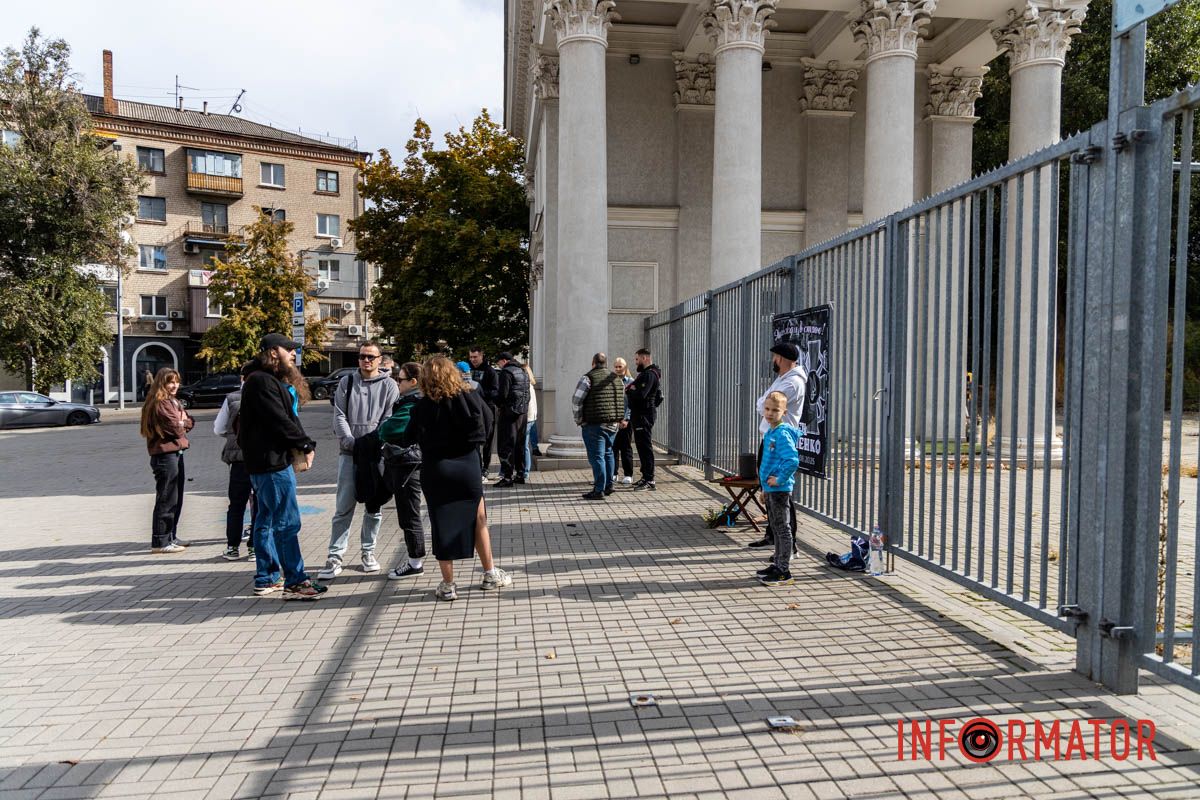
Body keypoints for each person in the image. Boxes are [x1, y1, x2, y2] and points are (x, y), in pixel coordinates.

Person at [407, 356, 513, 601]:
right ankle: (489, 574)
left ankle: (448, 585)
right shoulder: (469, 397)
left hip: (436, 470)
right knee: (479, 519)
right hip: (468, 467)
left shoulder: (421, 406)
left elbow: (409, 436)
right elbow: (487, 426)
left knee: (441, 523)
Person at [238, 333, 325, 599]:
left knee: (266, 519)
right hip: (271, 465)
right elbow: (279, 421)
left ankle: (268, 577)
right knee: (287, 523)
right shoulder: (262, 382)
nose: (293, 354)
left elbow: (286, 418)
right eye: (289, 349)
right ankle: (295, 582)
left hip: (265, 463)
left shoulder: (264, 380)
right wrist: (306, 444)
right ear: (273, 351)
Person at [319, 341, 400, 579]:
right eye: (363, 356)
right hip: (349, 454)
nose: (367, 360)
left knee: (373, 508)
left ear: (379, 359)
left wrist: (371, 443)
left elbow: (389, 419)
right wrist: (350, 442)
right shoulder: (347, 382)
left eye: (371, 357)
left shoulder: (389, 385)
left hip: (376, 455)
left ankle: (368, 552)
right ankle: (335, 557)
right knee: (343, 507)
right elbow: (339, 415)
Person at [750, 342, 807, 549]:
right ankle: (772, 535)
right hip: (771, 436)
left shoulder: (791, 383)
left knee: (780, 490)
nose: (773, 360)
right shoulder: (782, 379)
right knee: (769, 486)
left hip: (779, 441)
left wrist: (764, 404)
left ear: (781, 358)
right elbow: (761, 403)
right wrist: (764, 404)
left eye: (775, 356)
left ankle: (788, 544)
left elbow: (764, 404)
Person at [139, 368, 195, 554]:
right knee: (166, 498)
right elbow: (175, 429)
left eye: (177, 382)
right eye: (171, 382)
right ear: (161, 383)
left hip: (175, 453)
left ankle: (171, 535)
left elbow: (190, 421)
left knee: (175, 497)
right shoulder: (160, 403)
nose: (175, 385)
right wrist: (181, 423)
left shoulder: (173, 402)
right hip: (165, 456)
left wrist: (183, 421)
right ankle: (161, 541)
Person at [380, 362, 427, 579]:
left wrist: (384, 428)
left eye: (400, 379)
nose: (397, 383)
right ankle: (415, 559)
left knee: (409, 513)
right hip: (409, 462)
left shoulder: (413, 402)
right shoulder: (413, 400)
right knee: (408, 512)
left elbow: (390, 429)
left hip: (408, 464)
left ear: (413, 382)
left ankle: (415, 562)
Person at [756, 391, 801, 586]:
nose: (770, 413)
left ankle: (784, 570)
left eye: (775, 410)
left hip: (780, 490)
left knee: (783, 528)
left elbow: (791, 460)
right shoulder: (770, 432)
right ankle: (777, 563)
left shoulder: (782, 434)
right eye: (767, 409)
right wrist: (765, 488)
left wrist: (779, 480)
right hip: (771, 489)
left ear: (784, 412)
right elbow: (769, 463)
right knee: (775, 527)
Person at [214, 361, 258, 561]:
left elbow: (219, 428)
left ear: (242, 378)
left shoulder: (232, 398)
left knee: (236, 504)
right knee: (259, 503)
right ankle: (254, 547)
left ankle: (232, 547)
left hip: (238, 460)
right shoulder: (264, 396)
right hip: (260, 459)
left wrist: (233, 436)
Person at [571, 353, 625, 501]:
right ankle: (609, 485)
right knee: (608, 453)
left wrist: (579, 419)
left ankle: (598, 489)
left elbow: (576, 400)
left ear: (593, 362)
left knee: (597, 457)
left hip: (594, 424)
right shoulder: (616, 378)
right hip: (613, 424)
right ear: (606, 363)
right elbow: (622, 399)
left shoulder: (588, 378)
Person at [492, 352, 530, 488]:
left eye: (498, 363)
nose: (499, 365)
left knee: (506, 444)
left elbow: (503, 394)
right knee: (519, 444)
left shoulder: (506, 372)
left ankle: (507, 477)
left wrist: (493, 398)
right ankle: (520, 474)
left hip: (509, 413)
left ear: (503, 361)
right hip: (522, 413)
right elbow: (527, 394)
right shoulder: (523, 371)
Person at [627, 348, 662, 491]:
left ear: (645, 358)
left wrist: (630, 390)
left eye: (637, 359)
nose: (636, 362)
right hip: (640, 415)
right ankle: (645, 477)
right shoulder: (645, 374)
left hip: (644, 416)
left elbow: (641, 395)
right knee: (641, 447)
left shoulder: (649, 375)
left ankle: (650, 480)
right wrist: (632, 388)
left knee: (645, 448)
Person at [468, 347, 499, 479]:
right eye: (471, 357)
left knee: (487, 440)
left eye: (475, 357)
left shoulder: (490, 371)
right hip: (471, 409)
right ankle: (476, 466)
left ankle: (485, 468)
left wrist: (480, 392)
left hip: (487, 409)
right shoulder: (467, 370)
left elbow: (495, 391)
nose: (473, 360)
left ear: (481, 356)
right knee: (473, 440)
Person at [612, 357, 635, 486]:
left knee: (625, 448)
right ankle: (613, 473)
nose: (618, 369)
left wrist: (626, 419)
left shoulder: (631, 382)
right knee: (613, 447)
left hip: (626, 420)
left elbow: (631, 404)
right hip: (614, 421)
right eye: (616, 367)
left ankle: (628, 474)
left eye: (620, 366)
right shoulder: (611, 382)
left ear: (625, 368)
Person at [520, 363, 538, 482]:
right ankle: (525, 471)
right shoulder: (531, 384)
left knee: (524, 446)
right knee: (527, 445)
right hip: (532, 417)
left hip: (527, 417)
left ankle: (525, 472)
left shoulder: (526, 385)